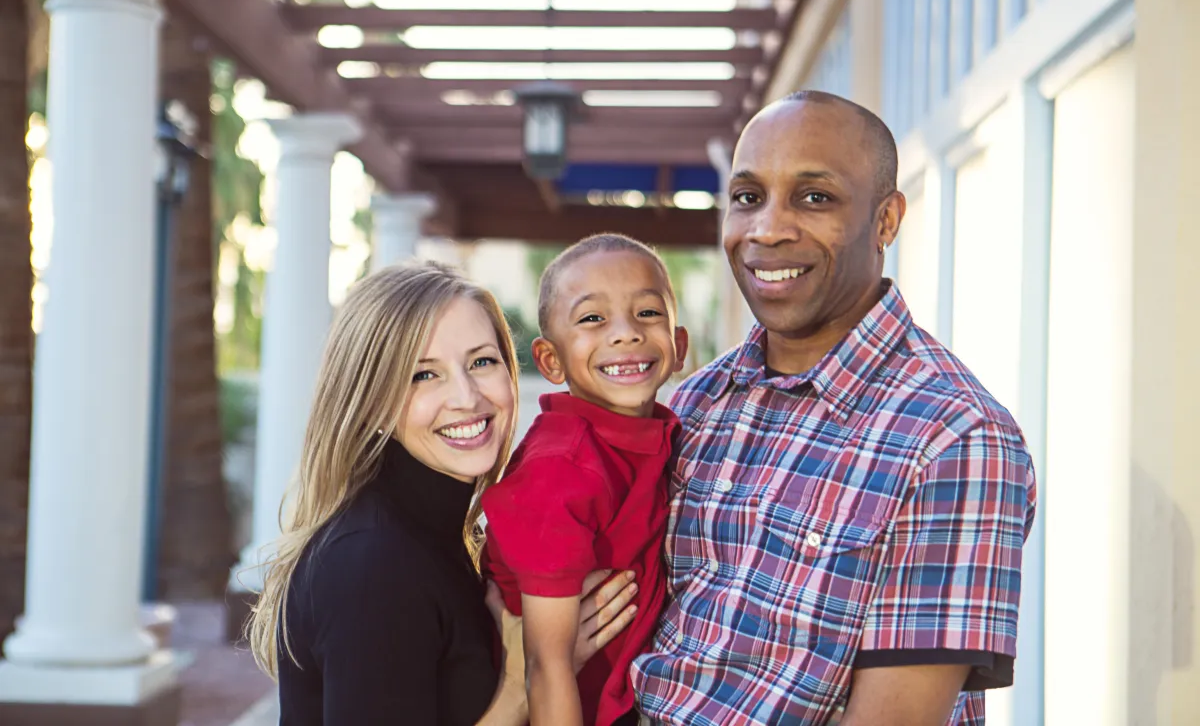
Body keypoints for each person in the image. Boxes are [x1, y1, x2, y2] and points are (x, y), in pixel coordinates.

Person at [632, 91, 1038, 725]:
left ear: (885, 221)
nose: (767, 229)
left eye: (814, 197)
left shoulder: (956, 439)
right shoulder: (692, 408)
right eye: (747, 198)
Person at [245, 262, 639, 725]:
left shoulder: (449, 537)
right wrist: (525, 681)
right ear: (371, 402)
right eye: (423, 375)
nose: (467, 397)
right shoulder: (371, 564)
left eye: (481, 362)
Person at [481, 235, 688, 726]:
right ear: (551, 361)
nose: (626, 333)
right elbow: (546, 666)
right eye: (593, 318)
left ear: (679, 346)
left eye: (648, 313)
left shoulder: (657, 432)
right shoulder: (562, 469)